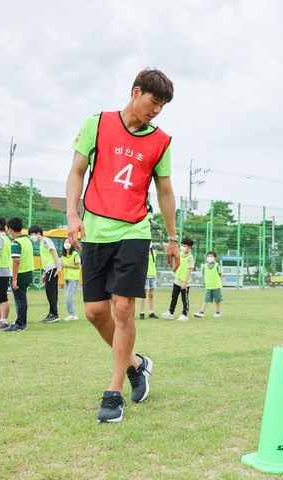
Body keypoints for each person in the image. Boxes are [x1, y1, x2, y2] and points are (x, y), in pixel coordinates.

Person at [66, 68, 180, 423]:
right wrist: (72, 215)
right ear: (136, 92)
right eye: (153, 101)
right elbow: (76, 172)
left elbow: (164, 191)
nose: (156, 110)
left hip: (134, 231)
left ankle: (113, 393)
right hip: (95, 231)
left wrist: (172, 236)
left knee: (123, 310)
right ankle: (136, 364)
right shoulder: (97, 123)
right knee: (95, 312)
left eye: (162, 106)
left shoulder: (161, 141)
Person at [3, 216, 34, 333]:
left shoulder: (16, 243)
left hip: (19, 274)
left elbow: (16, 261)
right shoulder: (27, 240)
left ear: (10, 229)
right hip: (27, 273)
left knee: (20, 301)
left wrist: (14, 279)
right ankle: (22, 322)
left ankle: (20, 324)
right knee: (22, 299)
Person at [29, 225, 62, 323]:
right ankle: (52, 313)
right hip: (48, 269)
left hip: (52, 268)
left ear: (38, 233)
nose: (31, 237)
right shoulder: (41, 243)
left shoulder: (45, 241)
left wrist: (58, 268)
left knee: (51, 292)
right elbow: (46, 259)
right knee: (50, 292)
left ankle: (54, 314)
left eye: (32, 234)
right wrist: (44, 273)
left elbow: (55, 254)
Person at [162, 237, 195, 322]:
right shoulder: (180, 254)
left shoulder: (190, 257)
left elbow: (189, 271)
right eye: (182, 245)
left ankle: (185, 314)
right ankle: (171, 312)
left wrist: (185, 282)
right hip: (177, 280)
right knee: (174, 297)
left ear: (189, 247)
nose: (183, 247)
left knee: (184, 298)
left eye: (185, 245)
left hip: (185, 282)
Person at [194, 251, 224, 318]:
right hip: (208, 286)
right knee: (206, 300)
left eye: (211, 256)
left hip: (216, 286)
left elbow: (221, 275)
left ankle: (218, 312)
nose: (209, 257)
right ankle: (201, 312)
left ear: (215, 258)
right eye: (208, 256)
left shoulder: (217, 266)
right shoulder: (205, 266)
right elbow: (204, 275)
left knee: (217, 300)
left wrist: (217, 281)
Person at [61, 240, 81, 321]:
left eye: (69, 242)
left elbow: (78, 266)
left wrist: (66, 265)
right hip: (67, 277)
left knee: (69, 297)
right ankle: (71, 314)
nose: (67, 244)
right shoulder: (64, 255)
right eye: (65, 242)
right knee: (66, 297)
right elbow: (62, 266)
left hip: (73, 277)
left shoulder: (75, 254)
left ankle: (73, 314)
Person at [139, 245, 159, 319]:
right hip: (145, 276)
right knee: (143, 295)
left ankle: (151, 312)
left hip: (153, 276)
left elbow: (153, 265)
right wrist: (143, 277)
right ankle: (142, 312)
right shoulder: (143, 252)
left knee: (151, 295)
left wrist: (155, 275)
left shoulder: (154, 252)